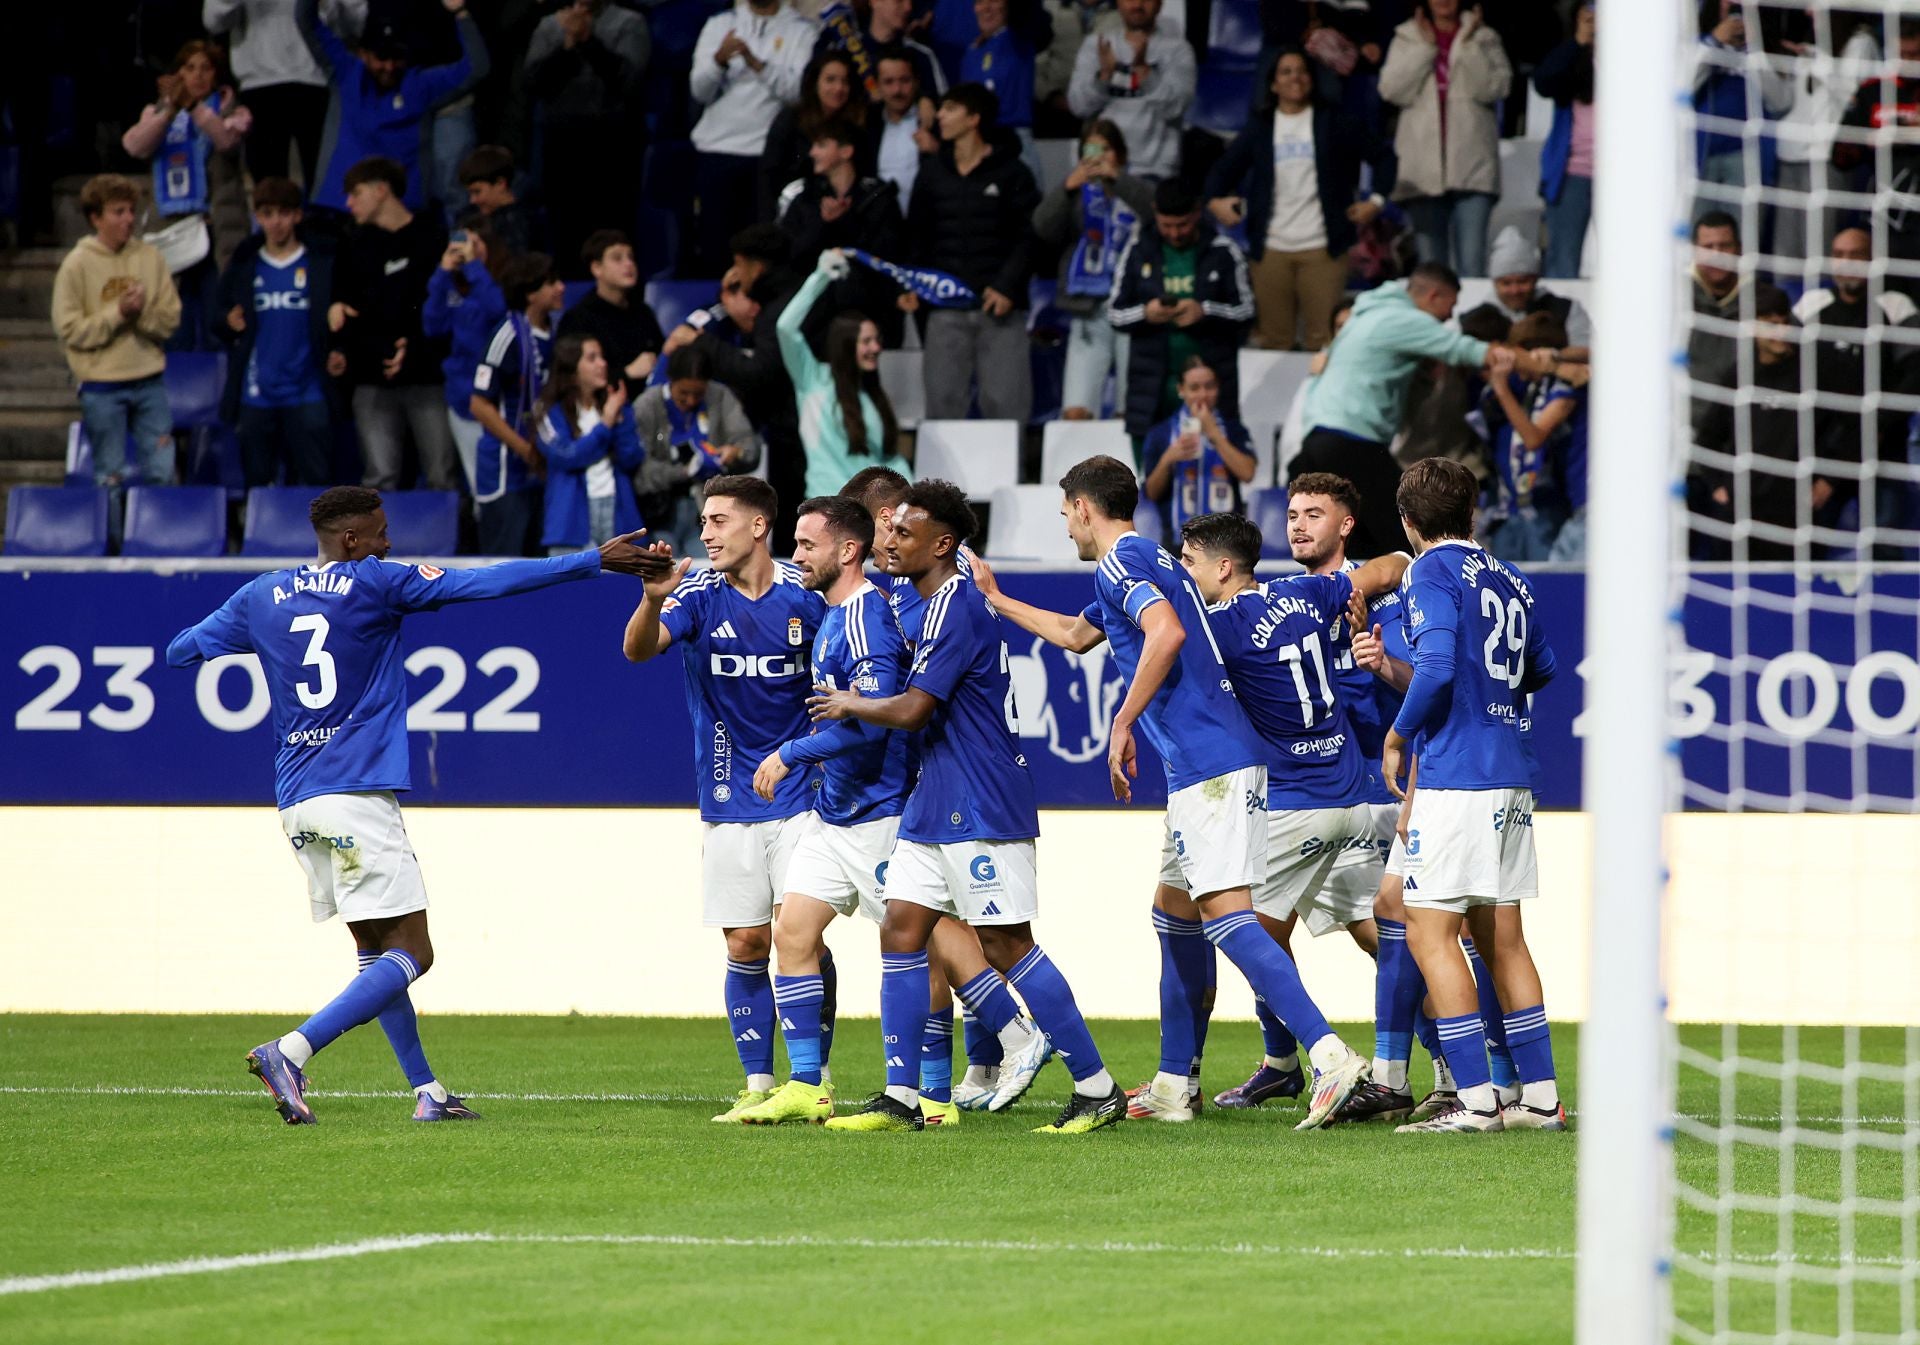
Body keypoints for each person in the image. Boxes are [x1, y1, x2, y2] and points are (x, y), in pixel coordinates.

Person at [163, 486, 659, 1125]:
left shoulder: (262, 594)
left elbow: (182, 650)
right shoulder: (377, 582)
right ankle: (291, 1049)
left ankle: (427, 1093)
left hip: (297, 803)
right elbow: (485, 583)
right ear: (351, 542)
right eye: (378, 532)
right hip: (356, 795)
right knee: (415, 952)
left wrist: (266, 641)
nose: (387, 542)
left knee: (377, 950)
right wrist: (590, 562)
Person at [970, 456, 1375, 1130]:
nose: (1065, 522)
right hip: (1210, 767)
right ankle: (1173, 1083)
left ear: (1083, 506)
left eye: (1066, 509)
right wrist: (999, 598)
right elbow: (1077, 637)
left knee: (1227, 917)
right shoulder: (1149, 560)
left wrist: (1124, 718)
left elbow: (1167, 632)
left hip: (1211, 767)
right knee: (1174, 915)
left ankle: (1330, 1055)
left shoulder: (1122, 563)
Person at [810, 480, 1125, 1134]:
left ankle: (1097, 1086)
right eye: (886, 530)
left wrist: (850, 701)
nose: (886, 541)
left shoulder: (955, 607)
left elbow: (915, 707)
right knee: (901, 930)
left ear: (943, 544)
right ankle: (902, 1095)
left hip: (980, 801)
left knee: (1006, 944)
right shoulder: (931, 604)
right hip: (936, 800)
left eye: (903, 532)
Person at [735, 495, 1049, 1127]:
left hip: (880, 810)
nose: (796, 557)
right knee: (792, 933)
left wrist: (790, 753)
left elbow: (877, 723)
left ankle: (1006, 1041)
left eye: (806, 545)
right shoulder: (831, 617)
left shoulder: (867, 620)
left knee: (931, 940)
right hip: (835, 811)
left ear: (846, 551)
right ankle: (807, 1084)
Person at [1153, 510, 1409, 1121]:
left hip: (1295, 805)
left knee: (1236, 928)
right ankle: (1416, 1067)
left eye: (1191, 562)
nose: (1186, 574)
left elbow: (1165, 641)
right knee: (1380, 933)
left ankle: (1321, 1061)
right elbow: (1397, 564)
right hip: (1352, 791)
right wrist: (1359, 602)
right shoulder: (1303, 592)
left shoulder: (1218, 628)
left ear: (1223, 567)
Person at [621, 476, 830, 1121]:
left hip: (803, 796)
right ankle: (759, 1083)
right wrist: (651, 601)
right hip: (725, 794)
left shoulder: (808, 594)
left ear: (758, 526)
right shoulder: (696, 594)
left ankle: (811, 1080)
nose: (705, 532)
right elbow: (638, 651)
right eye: (704, 521)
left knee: (802, 938)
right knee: (745, 942)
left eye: (718, 520)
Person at [1379, 456, 1565, 1133]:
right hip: (1511, 771)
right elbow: (1540, 666)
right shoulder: (1511, 577)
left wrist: (1398, 735)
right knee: (1504, 937)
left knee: (1429, 929)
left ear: (1408, 521)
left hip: (1457, 776)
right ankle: (1541, 1100)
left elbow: (1431, 665)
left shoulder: (1428, 570)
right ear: (1473, 513)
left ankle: (1479, 1102)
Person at [1293, 262, 1530, 557]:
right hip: (1352, 440)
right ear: (1434, 296)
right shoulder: (1404, 319)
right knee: (1409, 537)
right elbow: (1459, 348)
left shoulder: (1367, 314)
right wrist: (1513, 358)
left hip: (1317, 439)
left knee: (1355, 543)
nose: (1448, 317)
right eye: (1449, 306)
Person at [1204, 48, 1388, 354]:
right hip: (1272, 250)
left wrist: (1377, 200)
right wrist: (1214, 201)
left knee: (1326, 342)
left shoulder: (1335, 121)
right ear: (1273, 84)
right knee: (1275, 342)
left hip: (1323, 248)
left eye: (1301, 71)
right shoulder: (1260, 127)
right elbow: (1222, 171)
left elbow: (1383, 157)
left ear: (1312, 80)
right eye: (1286, 72)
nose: (1295, 78)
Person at [903, 83, 1041, 424]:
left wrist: (1008, 286)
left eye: (950, 108)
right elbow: (917, 236)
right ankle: (938, 481)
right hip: (945, 312)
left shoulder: (1013, 173)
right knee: (942, 408)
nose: (940, 116)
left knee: (1007, 409)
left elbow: (1030, 237)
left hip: (1000, 312)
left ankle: (1009, 476)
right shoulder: (932, 172)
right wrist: (911, 284)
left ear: (974, 118)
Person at [667, 224, 814, 544]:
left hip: (795, 433)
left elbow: (760, 372)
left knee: (795, 523)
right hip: (795, 427)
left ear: (756, 267)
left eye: (739, 265)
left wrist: (703, 342)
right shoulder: (787, 297)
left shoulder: (779, 309)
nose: (735, 273)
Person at [330, 156, 458, 493]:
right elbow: (343, 311)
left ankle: (443, 546)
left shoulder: (431, 237)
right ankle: (376, 547)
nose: (348, 203)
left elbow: (439, 306)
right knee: (378, 479)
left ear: (381, 190)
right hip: (371, 376)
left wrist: (412, 345)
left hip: (427, 374)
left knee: (441, 476)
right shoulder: (353, 244)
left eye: (356, 193)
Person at [296, 0, 487, 219]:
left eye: (396, 58)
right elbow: (307, 21)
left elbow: (477, 67)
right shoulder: (345, 73)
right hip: (339, 211)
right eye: (381, 57)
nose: (389, 66)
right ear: (363, 53)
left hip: (401, 215)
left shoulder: (420, 85)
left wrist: (461, 14)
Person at [120, 40, 253, 353]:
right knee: (173, 326)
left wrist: (194, 109)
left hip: (217, 233)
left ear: (218, 74)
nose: (198, 75)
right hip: (171, 233)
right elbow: (135, 146)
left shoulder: (235, 110)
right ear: (177, 73)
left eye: (206, 68)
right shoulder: (156, 111)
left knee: (216, 323)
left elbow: (225, 140)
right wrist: (170, 111)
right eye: (190, 68)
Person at [53, 175, 182, 494]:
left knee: (162, 473)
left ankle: (158, 543)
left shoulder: (150, 258)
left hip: (149, 381)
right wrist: (118, 314)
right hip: (101, 386)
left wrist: (140, 316)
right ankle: (111, 543)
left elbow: (170, 320)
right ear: (96, 218)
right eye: (118, 211)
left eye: (131, 211)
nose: (128, 219)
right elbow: (70, 331)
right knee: (109, 478)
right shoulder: (76, 265)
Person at [1794, 226, 1920, 550]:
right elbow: (1784, 372)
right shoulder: (1812, 306)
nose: (1846, 263)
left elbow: (1913, 378)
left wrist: (1877, 426)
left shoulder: (1896, 306)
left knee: (1885, 545)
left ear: (1874, 259)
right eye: (1839, 255)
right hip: (1823, 455)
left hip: (1882, 451)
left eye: (1856, 254)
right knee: (1809, 544)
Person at [1107, 178, 1254, 446]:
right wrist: (1146, 313)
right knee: (1150, 481)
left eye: (1182, 225)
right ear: (1154, 212)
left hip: (1211, 391)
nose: (1174, 233)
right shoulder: (1138, 250)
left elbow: (1246, 311)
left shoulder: (1223, 251)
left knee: (1212, 476)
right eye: (1167, 226)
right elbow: (1115, 314)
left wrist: (1205, 311)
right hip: (1151, 392)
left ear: (1197, 213)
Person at [217, 176, 337, 488]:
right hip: (258, 392)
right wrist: (228, 322)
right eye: (267, 214)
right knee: (258, 481)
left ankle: (317, 538)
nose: (276, 222)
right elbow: (218, 316)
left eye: (284, 213)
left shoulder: (320, 264)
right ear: (258, 217)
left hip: (308, 388)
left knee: (317, 481)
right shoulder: (245, 267)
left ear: (298, 215)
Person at [1378, 0, 1512, 277]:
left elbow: (1494, 89)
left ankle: (1473, 321)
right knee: (1431, 269)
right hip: (1423, 169)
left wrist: (1469, 45)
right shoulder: (1406, 36)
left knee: (1472, 264)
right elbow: (1391, 90)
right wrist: (1425, 49)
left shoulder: (1485, 36)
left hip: (1472, 166)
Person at [1033, 117, 1153, 420]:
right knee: (1076, 411)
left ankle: (1123, 469)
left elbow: (1157, 217)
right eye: (1092, 148)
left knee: (1130, 410)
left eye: (1106, 149)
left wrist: (1119, 179)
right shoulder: (1075, 193)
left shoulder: (1137, 188)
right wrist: (1066, 188)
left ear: (1121, 154)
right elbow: (1042, 228)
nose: (1098, 157)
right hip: (1089, 309)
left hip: (1134, 309)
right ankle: (1082, 469)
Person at [688, 0, 817, 277]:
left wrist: (757, 64)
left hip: (766, 157)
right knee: (715, 249)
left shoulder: (802, 32)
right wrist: (718, 61)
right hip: (716, 150)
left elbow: (798, 93)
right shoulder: (719, 24)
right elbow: (699, 90)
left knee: (762, 250)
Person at [1689, 283, 1812, 563]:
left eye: (1784, 323)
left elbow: (1843, 428)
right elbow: (1707, 438)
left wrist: (1826, 483)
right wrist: (1718, 486)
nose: (1780, 332)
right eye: (1770, 325)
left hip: (1794, 509)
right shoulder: (1739, 377)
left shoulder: (1810, 375)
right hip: (1741, 508)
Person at [525, 0, 648, 278]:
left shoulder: (629, 23)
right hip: (562, 148)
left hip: (614, 149)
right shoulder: (550, 26)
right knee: (565, 233)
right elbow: (533, 84)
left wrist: (588, 42)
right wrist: (568, 45)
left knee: (614, 232)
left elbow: (629, 82)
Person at [778, 250, 912, 498]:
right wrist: (821, 277)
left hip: (868, 512)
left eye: (876, 340)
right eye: (867, 341)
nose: (876, 348)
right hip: (826, 509)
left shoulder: (872, 394)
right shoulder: (813, 379)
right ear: (846, 344)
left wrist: (913, 495)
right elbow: (785, 327)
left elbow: (888, 459)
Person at [776, 118, 908, 346]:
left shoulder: (878, 197)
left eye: (821, 145)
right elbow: (792, 255)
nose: (813, 152)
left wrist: (844, 222)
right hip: (815, 316)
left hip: (868, 313)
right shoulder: (804, 199)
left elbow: (887, 255)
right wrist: (824, 224)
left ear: (846, 151)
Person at [470, 252, 565, 555]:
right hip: (506, 471)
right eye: (551, 282)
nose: (561, 287)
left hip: (541, 466)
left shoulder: (555, 331)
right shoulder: (507, 335)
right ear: (530, 292)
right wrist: (525, 449)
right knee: (505, 561)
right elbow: (478, 404)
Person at [633, 345, 762, 556]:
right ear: (670, 380)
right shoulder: (648, 405)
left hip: (708, 515)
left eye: (698, 394)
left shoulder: (719, 396)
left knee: (712, 577)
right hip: (659, 515)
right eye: (683, 393)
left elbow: (750, 445)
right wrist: (685, 472)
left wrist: (736, 452)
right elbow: (641, 473)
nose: (691, 400)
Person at [1483, 311, 1585, 562]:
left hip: (1549, 505)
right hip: (1508, 509)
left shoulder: (1568, 383)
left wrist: (1502, 387)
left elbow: (1533, 438)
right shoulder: (1523, 386)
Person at [202, 0, 333, 188]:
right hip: (259, 85)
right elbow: (214, 21)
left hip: (316, 81)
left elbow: (353, 22)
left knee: (323, 186)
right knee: (269, 190)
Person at [533, 335, 645, 553]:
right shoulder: (548, 411)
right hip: (571, 522)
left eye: (602, 357)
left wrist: (618, 421)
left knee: (620, 587)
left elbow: (631, 458)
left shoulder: (615, 405)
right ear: (572, 370)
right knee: (572, 588)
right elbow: (567, 456)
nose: (602, 363)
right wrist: (606, 424)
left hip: (617, 513)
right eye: (592, 358)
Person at [1835, 19, 1920, 303]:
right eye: (1902, 56)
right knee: (1887, 305)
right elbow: (1841, 156)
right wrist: (1874, 137)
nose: (1907, 63)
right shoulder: (1873, 91)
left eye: (1915, 56)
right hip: (1886, 224)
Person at [1065, 0, 1195, 185]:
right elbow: (1078, 107)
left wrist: (1143, 71)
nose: (1137, 5)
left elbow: (1175, 108)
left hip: (1153, 170)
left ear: (1160, 4)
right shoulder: (1097, 45)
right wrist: (1104, 77)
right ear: (1118, 3)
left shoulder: (1178, 50)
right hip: (1096, 164)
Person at [423, 217, 505, 497]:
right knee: (477, 484)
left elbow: (498, 311)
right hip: (463, 398)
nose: (464, 249)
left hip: (501, 399)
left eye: (472, 242)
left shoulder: (499, 280)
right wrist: (441, 273)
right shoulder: (450, 284)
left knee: (500, 482)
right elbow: (432, 326)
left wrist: (474, 267)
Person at [1141, 356, 1257, 537]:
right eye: (1194, 388)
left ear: (1217, 388)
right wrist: (1168, 459)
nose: (1202, 395)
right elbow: (1151, 493)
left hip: (1226, 540)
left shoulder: (1232, 428)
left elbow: (1248, 473)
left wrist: (1215, 435)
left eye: (1209, 387)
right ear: (1181, 390)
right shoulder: (1161, 433)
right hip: (1177, 539)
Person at [1691, 0, 1792, 203]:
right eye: (1728, 5)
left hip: (1747, 156)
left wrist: (1750, 52)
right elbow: (1684, 88)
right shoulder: (1697, 45)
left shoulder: (1761, 51)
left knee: (1743, 229)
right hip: (1699, 154)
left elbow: (1782, 102)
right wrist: (1714, 42)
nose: (1734, 14)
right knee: (1700, 229)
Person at [760, 49, 866, 223]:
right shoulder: (791, 119)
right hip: (793, 216)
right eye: (830, 80)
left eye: (845, 81)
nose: (838, 88)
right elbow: (768, 178)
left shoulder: (857, 124)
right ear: (815, 82)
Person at [555, 231, 666, 396]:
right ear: (596, 268)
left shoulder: (643, 313)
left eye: (631, 257)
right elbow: (569, 379)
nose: (628, 264)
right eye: (617, 258)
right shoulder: (578, 319)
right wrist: (627, 373)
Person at [1532, 0, 1596, 279]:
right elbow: (1544, 82)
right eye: (1588, 17)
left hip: (1625, 177)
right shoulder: (1571, 57)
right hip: (1573, 171)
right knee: (1562, 262)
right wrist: (1580, 41)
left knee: (1629, 260)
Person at [1458, 227, 1594, 354]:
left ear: (1535, 279)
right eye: (1506, 283)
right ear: (1494, 283)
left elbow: (1588, 350)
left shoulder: (1567, 309)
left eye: (1522, 281)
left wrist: (1555, 357)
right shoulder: (1473, 320)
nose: (1515, 290)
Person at [866, 48, 940, 213]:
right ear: (877, 85)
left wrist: (937, 150)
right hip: (882, 226)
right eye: (888, 82)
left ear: (916, 81)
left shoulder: (934, 121)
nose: (897, 90)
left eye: (904, 80)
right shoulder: (868, 125)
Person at [961, 0, 1036, 148]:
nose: (987, 8)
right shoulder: (971, 53)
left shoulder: (1018, 40)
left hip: (1013, 140)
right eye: (981, 2)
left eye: (994, 0)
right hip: (977, 141)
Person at [455, 146, 536, 257]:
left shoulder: (522, 224)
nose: (472, 200)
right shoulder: (467, 217)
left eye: (477, 192)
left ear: (500, 184)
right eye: (470, 193)